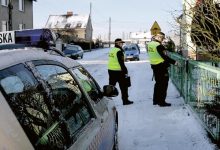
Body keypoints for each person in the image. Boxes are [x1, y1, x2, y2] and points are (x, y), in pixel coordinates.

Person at [147, 32, 177, 107]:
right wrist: (175, 62)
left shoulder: (150, 44)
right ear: (158, 37)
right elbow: (165, 57)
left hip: (154, 66)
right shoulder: (159, 46)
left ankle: (155, 100)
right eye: (162, 37)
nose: (163, 39)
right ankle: (162, 102)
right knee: (163, 85)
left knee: (158, 84)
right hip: (161, 67)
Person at [108, 38, 133, 105]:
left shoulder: (112, 50)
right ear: (118, 43)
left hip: (111, 70)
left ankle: (107, 101)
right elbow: (121, 63)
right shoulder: (119, 51)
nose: (122, 44)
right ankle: (125, 101)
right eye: (121, 43)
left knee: (111, 86)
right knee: (124, 87)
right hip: (119, 71)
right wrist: (125, 71)